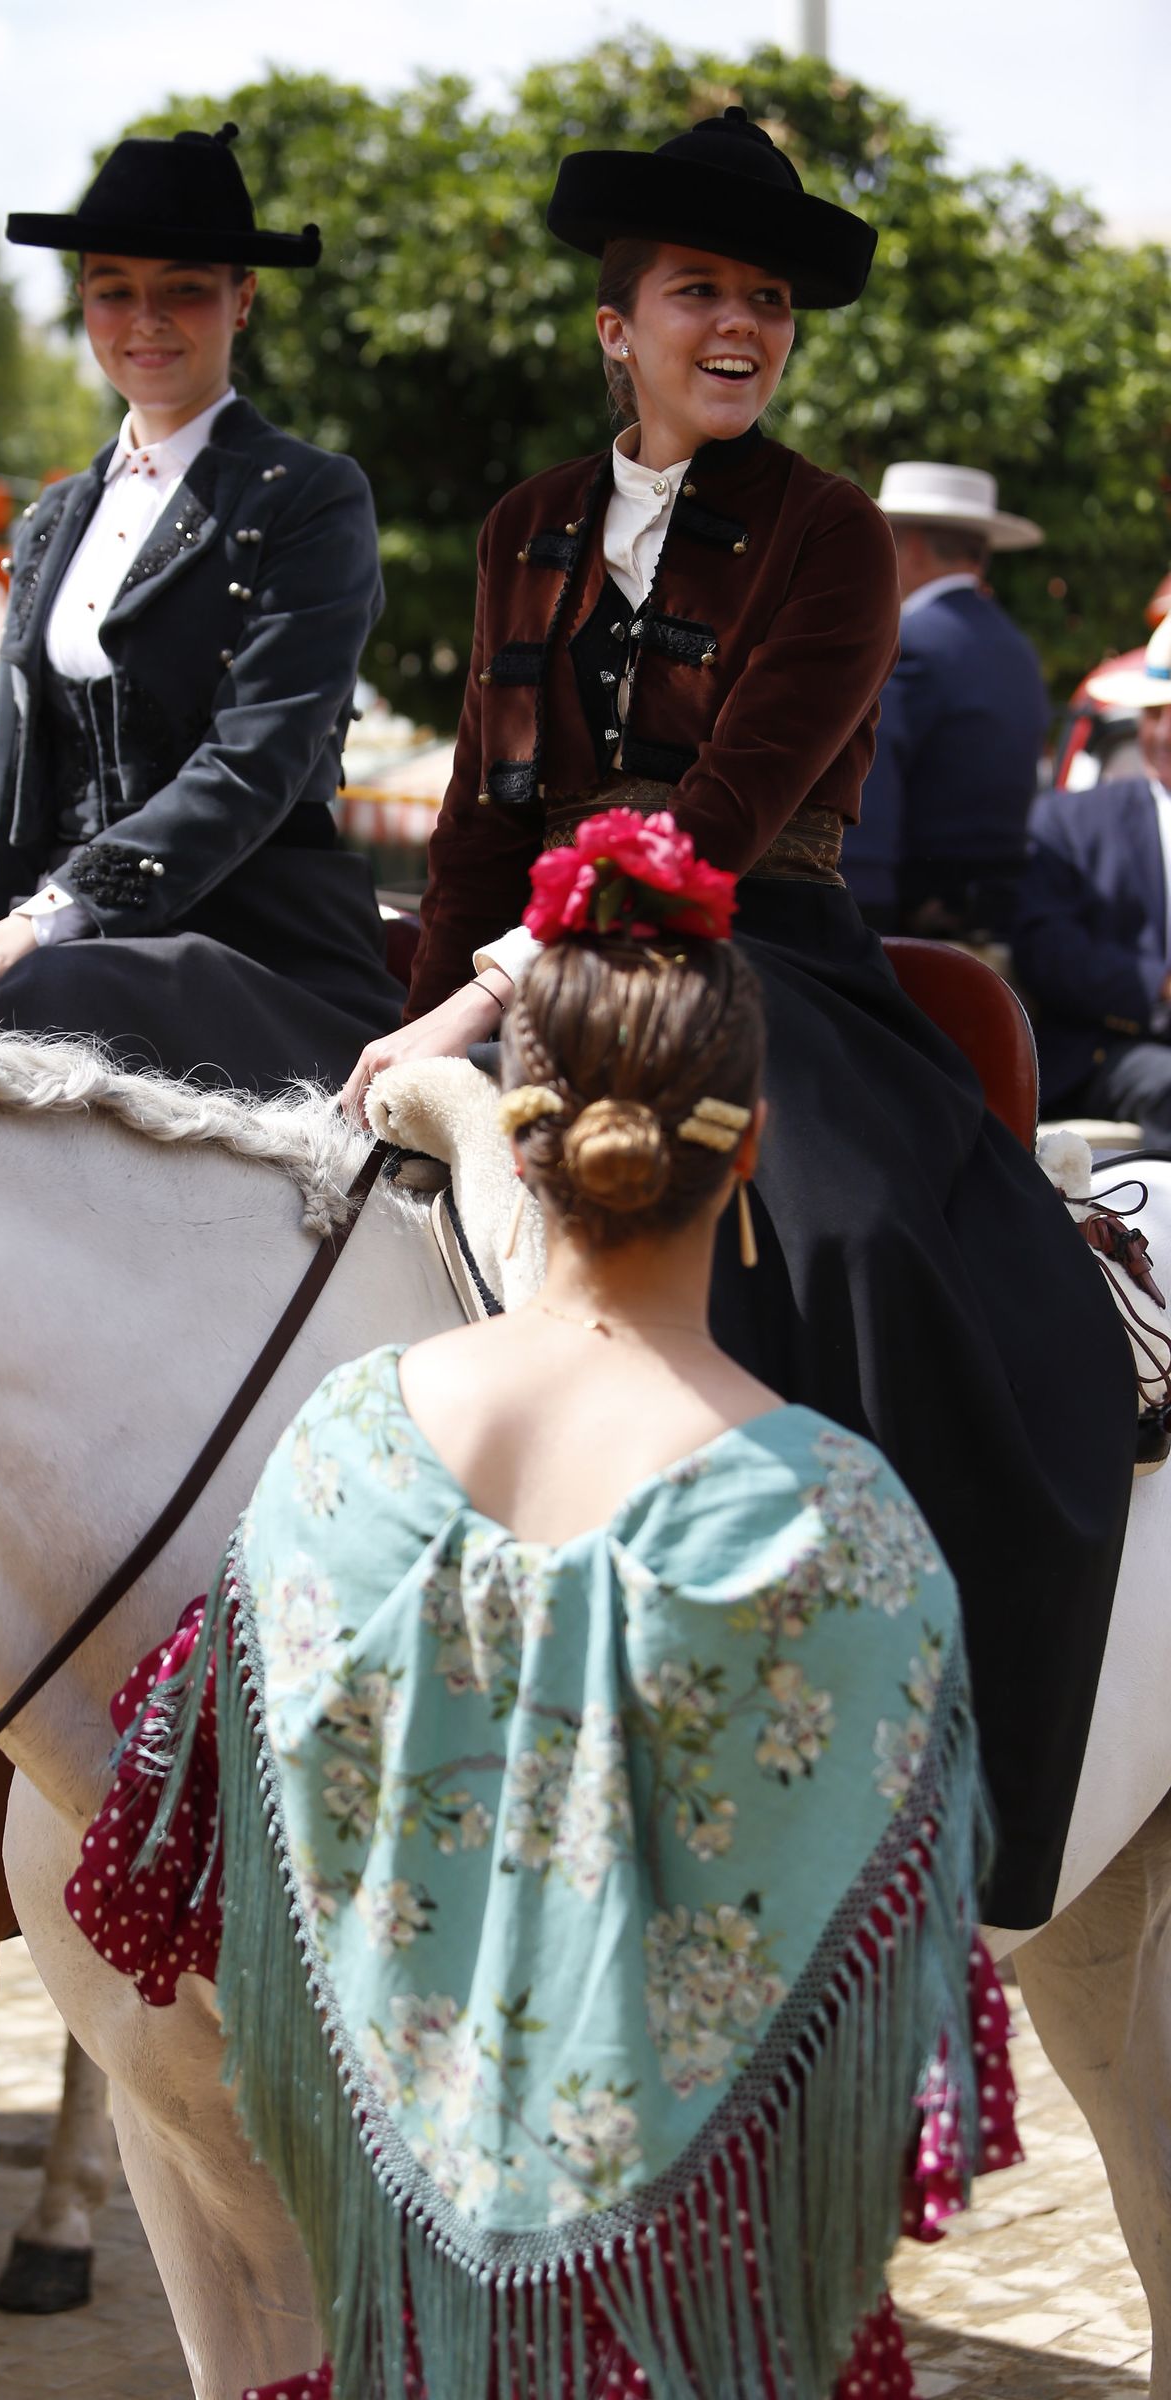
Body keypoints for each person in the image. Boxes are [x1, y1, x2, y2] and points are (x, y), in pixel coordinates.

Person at [70, 825, 1012, 2400]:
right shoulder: (846, 1525)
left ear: (520, 1132)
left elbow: (168, 1866)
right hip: (709, 2326)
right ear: (753, 1145)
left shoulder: (339, 1446)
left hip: (404, 2305)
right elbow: (894, 2030)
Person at [344, 107, 1135, 1935]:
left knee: (863, 1243)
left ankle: (917, 1777)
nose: (743, 327)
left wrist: (489, 988)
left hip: (761, 957)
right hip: (521, 969)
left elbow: (710, 823)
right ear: (616, 325)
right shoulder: (525, 527)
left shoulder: (839, 540)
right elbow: (480, 808)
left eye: (768, 301)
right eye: (701, 290)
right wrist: (414, 1025)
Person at [0, 123, 402, 1092]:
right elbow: (11, 793)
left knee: (43, 998)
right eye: (114, 291)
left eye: (182, 288)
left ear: (244, 298)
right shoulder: (53, 516)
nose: (144, 319)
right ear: (82, 303)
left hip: (252, 941)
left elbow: (255, 759)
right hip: (48, 940)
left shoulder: (310, 496)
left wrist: (56, 912)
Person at [842, 462, 1050, 940]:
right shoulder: (1017, 647)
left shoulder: (906, 640)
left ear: (909, 548)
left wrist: (860, 918)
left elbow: (870, 786)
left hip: (912, 920)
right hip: (996, 917)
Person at [1012, 613, 1171, 1137]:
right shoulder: (1074, 820)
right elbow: (1045, 948)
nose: (1164, 731)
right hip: (1111, 1050)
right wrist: (1159, 987)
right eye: (1152, 714)